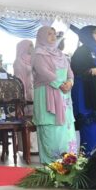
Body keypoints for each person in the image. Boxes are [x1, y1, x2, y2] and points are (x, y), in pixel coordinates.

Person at [32, 26, 75, 163]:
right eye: (49, 34)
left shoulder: (60, 54)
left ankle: (68, 162)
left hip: (64, 95)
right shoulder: (38, 54)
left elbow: (70, 72)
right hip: (47, 94)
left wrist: (70, 82)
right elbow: (42, 71)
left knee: (66, 129)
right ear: (42, 37)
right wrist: (60, 84)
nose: (53, 36)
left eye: (54, 34)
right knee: (50, 128)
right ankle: (52, 164)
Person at [70, 25, 96, 152]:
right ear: (87, 35)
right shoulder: (81, 51)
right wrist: (89, 70)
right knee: (91, 129)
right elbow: (75, 69)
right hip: (89, 95)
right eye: (95, 33)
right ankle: (89, 159)